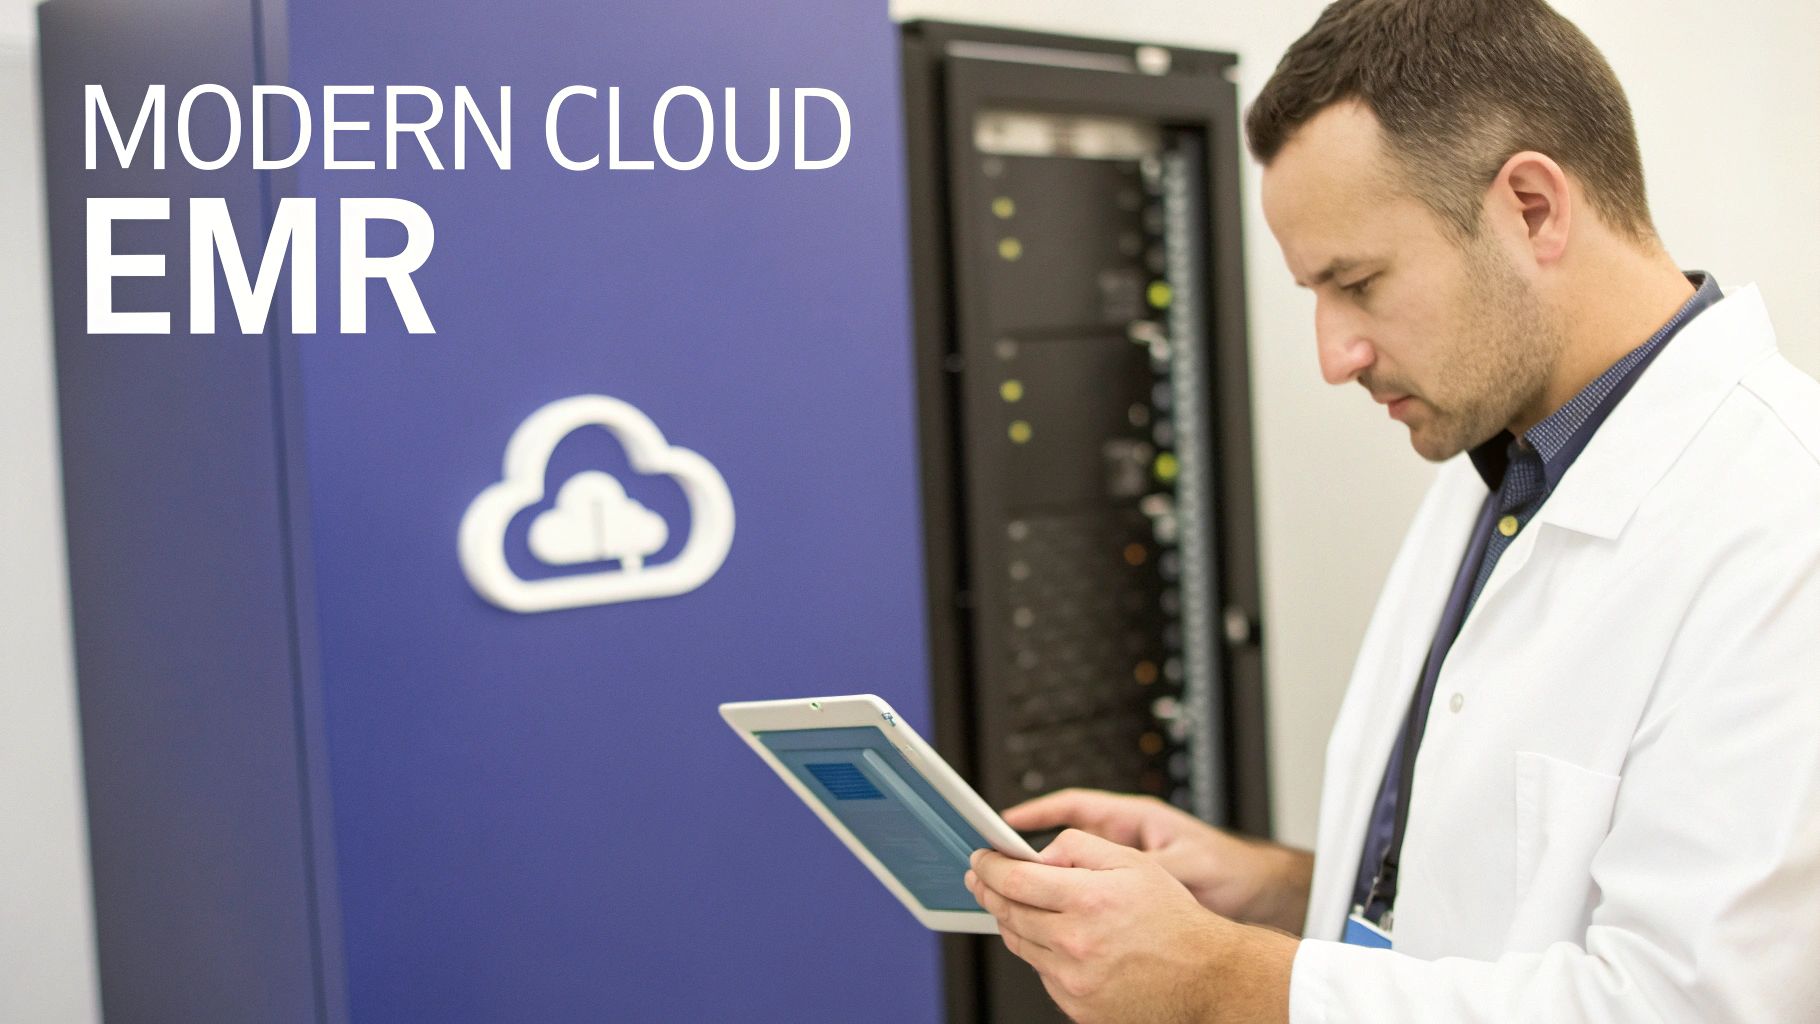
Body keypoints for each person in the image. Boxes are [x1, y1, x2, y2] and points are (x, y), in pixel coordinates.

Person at [962, 0, 1820, 1020]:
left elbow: (1691, 1003)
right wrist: (1271, 889)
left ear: (1531, 208)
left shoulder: (1781, 521)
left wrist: (1222, 976)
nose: (1335, 356)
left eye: (1359, 282)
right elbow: (1503, 902)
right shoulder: (1506, 459)